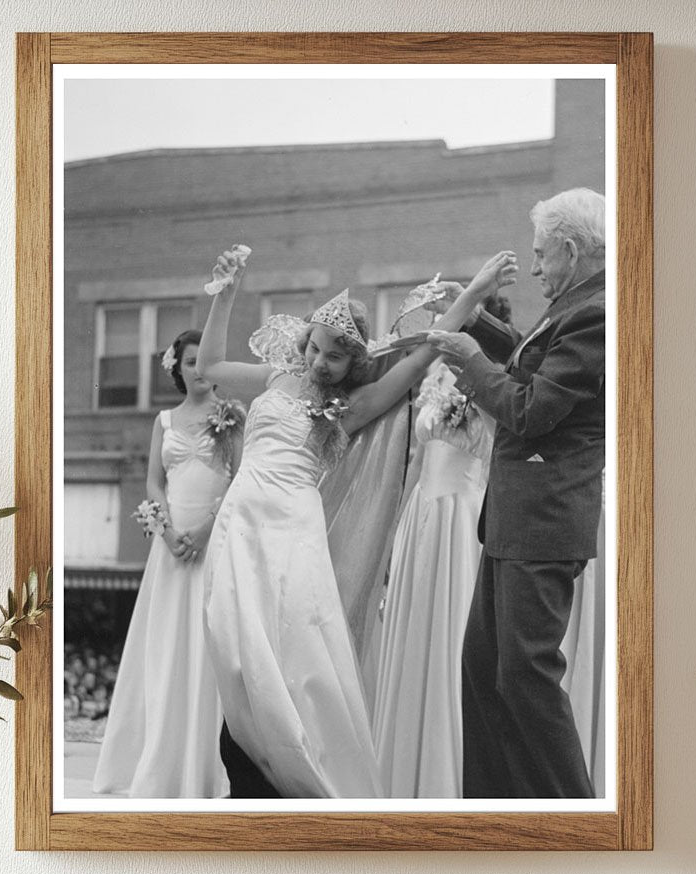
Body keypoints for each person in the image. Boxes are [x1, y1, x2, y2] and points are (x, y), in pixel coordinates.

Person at [197, 246, 515, 798]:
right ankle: (247, 756)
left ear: (353, 364)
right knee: (234, 648)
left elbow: (419, 359)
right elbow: (209, 370)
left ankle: (294, 766)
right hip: (238, 530)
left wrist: (475, 292)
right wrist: (224, 297)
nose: (321, 363)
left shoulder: (353, 407)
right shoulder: (275, 380)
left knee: (295, 650)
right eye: (315, 349)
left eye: (335, 357)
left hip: (292, 535)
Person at [428, 187, 606, 799]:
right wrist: (474, 321)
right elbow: (534, 364)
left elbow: (530, 410)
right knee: (484, 672)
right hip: (513, 521)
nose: (534, 269)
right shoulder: (579, 305)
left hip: (543, 521)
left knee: (525, 676)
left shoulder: (600, 311)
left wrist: (472, 361)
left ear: (571, 249)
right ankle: (494, 816)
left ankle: (577, 818)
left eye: (541, 257)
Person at [92, 329, 243, 798]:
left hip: (214, 544)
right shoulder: (164, 420)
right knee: (164, 647)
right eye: (191, 361)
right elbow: (154, 483)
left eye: (206, 361)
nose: (199, 370)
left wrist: (205, 531)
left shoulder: (231, 415)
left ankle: (203, 765)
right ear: (176, 366)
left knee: (206, 645)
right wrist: (171, 532)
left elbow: (239, 478)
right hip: (171, 550)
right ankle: (157, 759)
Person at [371, 360, 493, 798]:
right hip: (421, 517)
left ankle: (450, 772)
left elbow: (495, 460)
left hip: (461, 521)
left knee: (453, 632)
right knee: (413, 635)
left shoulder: (495, 377)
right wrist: (392, 539)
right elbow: (417, 461)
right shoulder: (435, 376)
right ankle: (403, 767)